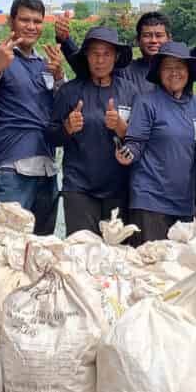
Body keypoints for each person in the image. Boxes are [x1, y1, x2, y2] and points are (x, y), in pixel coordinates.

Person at [0, 0, 66, 235]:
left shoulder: (45, 64)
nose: (31, 26)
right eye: (25, 20)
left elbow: (63, 112)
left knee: (41, 253)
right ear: (11, 21)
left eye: (37, 21)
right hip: (10, 169)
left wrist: (61, 78)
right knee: (5, 249)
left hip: (47, 168)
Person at [58, 0, 196, 93]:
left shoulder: (184, 66)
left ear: (169, 38)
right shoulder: (125, 70)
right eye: (147, 36)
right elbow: (87, 65)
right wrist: (65, 40)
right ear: (138, 40)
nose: (153, 41)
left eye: (159, 35)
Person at [117, 41, 196, 243]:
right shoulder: (146, 102)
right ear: (159, 72)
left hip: (184, 201)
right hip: (150, 199)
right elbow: (135, 142)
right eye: (168, 67)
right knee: (151, 267)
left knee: (181, 270)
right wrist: (127, 154)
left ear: (189, 71)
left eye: (180, 67)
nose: (174, 73)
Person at [52, 26, 138, 236]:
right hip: (79, 187)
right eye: (95, 54)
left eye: (107, 54)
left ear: (116, 57)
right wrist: (67, 127)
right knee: (81, 254)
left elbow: (141, 140)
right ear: (86, 57)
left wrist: (120, 127)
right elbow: (50, 136)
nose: (100, 61)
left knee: (116, 256)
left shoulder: (130, 91)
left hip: (119, 188)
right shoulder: (69, 91)